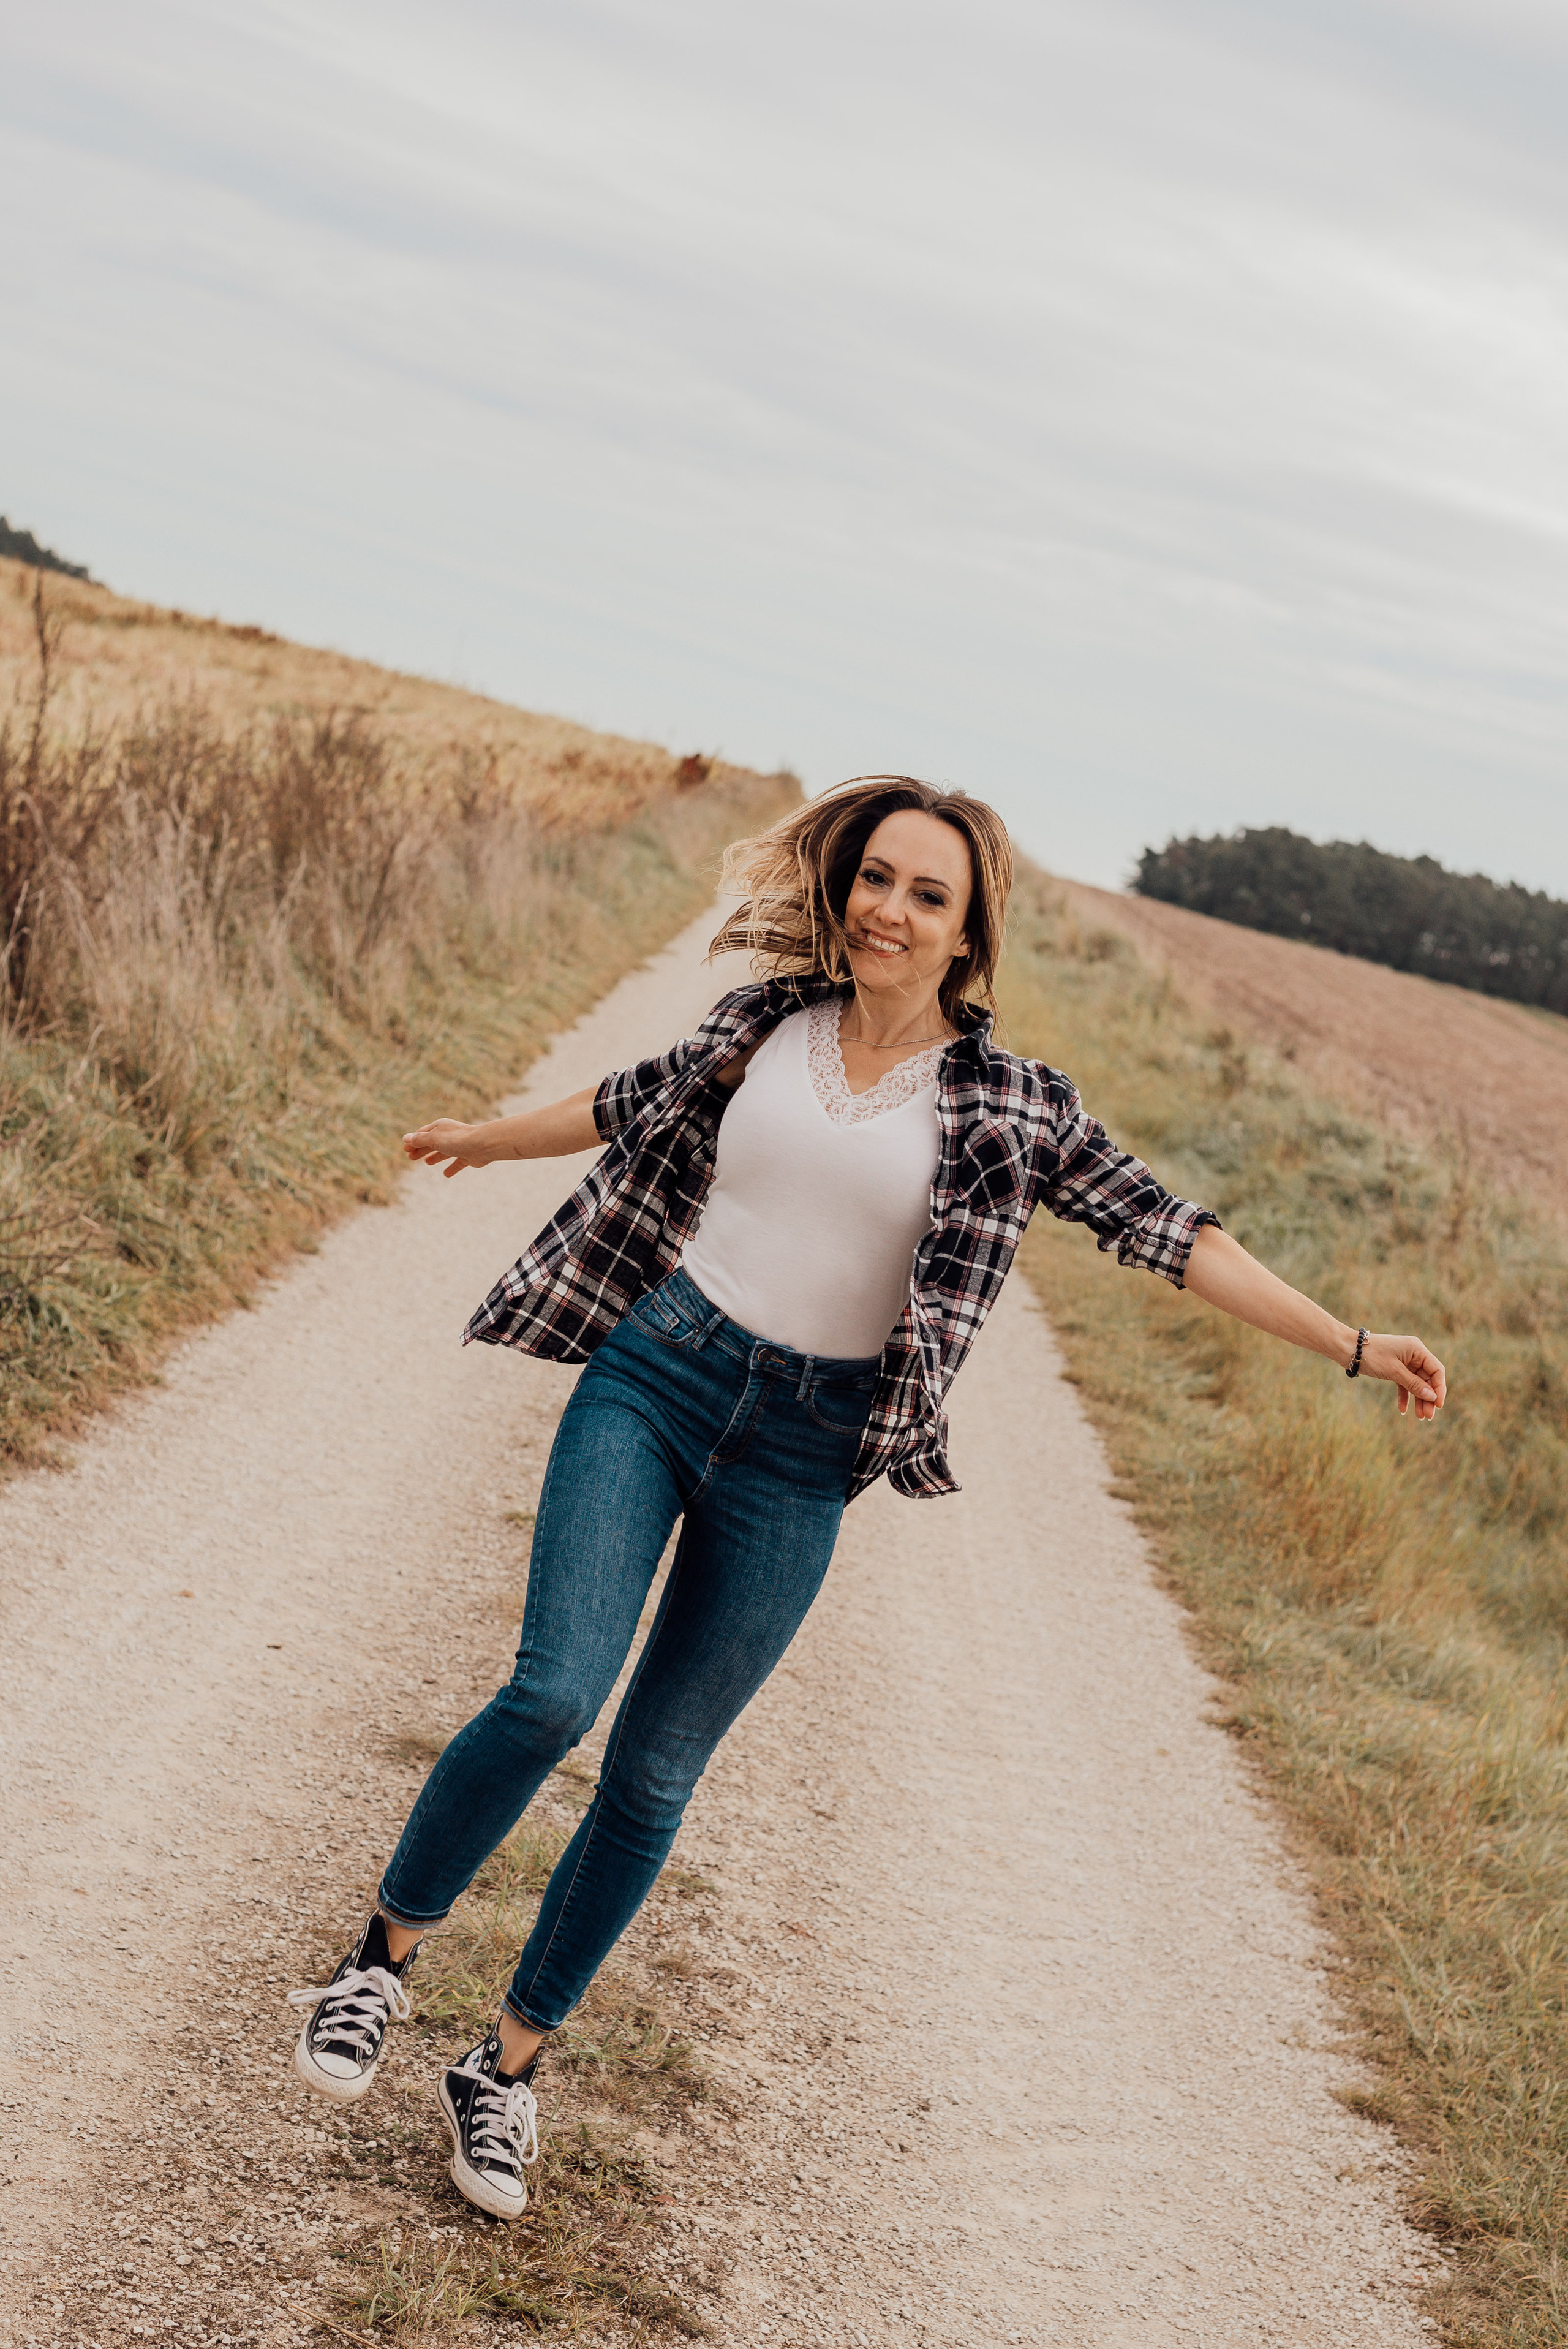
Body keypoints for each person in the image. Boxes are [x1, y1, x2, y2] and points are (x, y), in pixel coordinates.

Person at [285, 776, 1447, 2220]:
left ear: (968, 934)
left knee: (654, 1778)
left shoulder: (1016, 1104)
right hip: (658, 1374)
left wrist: (1348, 1343)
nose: (889, 909)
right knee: (551, 1695)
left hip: (805, 1451)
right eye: (876, 878)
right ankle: (377, 1965)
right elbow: (624, 1102)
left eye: (926, 894)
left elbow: (1168, 1233)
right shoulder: (765, 1023)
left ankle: (505, 2068)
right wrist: (483, 1134)